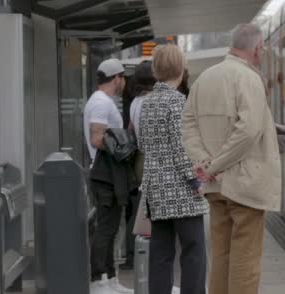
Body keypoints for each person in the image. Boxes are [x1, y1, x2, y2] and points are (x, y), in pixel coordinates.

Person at [182, 23, 281, 294]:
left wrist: (204, 164)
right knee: (245, 261)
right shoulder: (249, 79)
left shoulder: (205, 79)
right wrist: (215, 165)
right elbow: (249, 130)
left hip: (215, 187)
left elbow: (187, 125)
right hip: (245, 185)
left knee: (221, 256)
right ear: (257, 48)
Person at [138, 45, 208, 294]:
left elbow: (142, 144)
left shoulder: (147, 104)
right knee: (194, 250)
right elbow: (182, 149)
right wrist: (195, 182)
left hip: (156, 192)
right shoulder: (178, 101)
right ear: (180, 69)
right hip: (181, 193)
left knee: (160, 253)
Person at [84, 58, 134, 294]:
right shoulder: (101, 103)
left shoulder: (103, 101)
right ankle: (98, 281)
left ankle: (110, 278)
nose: (123, 82)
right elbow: (97, 138)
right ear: (117, 78)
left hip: (109, 173)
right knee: (106, 228)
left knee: (112, 226)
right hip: (105, 174)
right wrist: (123, 145)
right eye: (122, 78)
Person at [119, 60, 155, 271]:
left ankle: (134, 252)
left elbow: (131, 130)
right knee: (144, 210)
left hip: (140, 159)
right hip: (151, 157)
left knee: (140, 207)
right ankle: (136, 254)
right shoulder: (151, 101)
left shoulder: (134, 103)